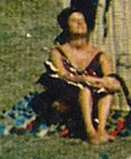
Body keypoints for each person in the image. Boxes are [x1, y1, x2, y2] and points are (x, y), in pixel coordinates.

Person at [40, 9, 120, 145]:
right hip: (68, 93)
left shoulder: (99, 55)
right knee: (85, 90)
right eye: (74, 21)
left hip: (94, 96)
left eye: (82, 20)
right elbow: (62, 75)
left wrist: (101, 82)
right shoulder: (58, 52)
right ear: (66, 26)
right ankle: (90, 132)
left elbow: (111, 79)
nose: (80, 24)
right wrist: (83, 79)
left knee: (107, 91)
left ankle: (101, 129)